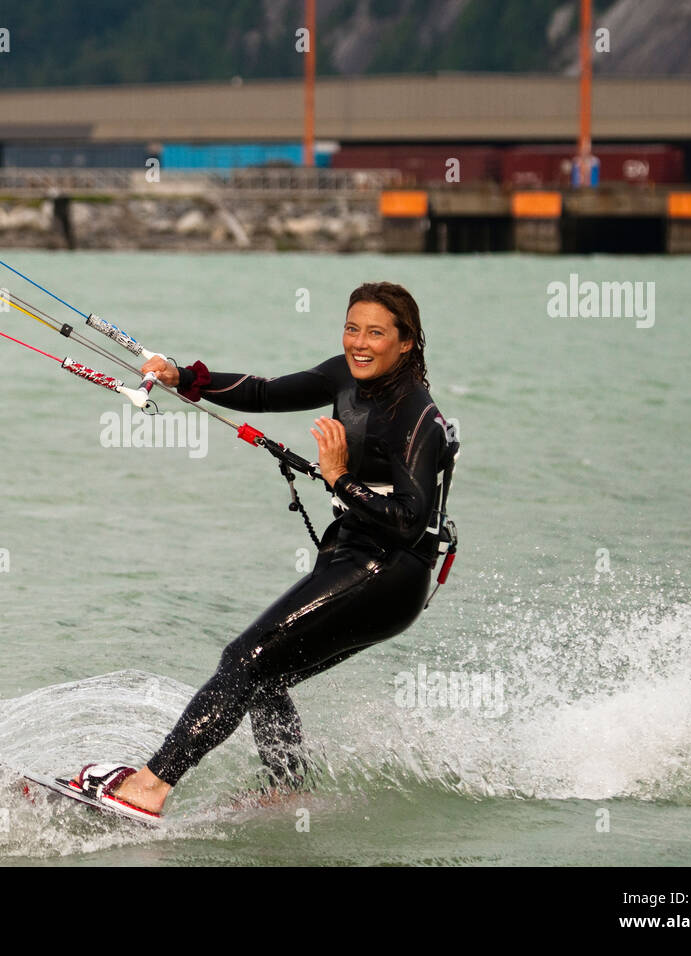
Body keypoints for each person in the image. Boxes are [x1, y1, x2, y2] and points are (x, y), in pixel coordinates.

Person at [68, 281, 459, 821]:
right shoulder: (346, 376)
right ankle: (288, 790)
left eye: (376, 333)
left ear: (407, 342)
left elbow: (410, 519)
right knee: (264, 673)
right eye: (352, 328)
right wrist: (185, 377)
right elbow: (267, 392)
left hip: (390, 570)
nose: (359, 343)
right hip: (353, 555)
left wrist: (339, 477)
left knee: (244, 657)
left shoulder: (416, 415)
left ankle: (149, 786)